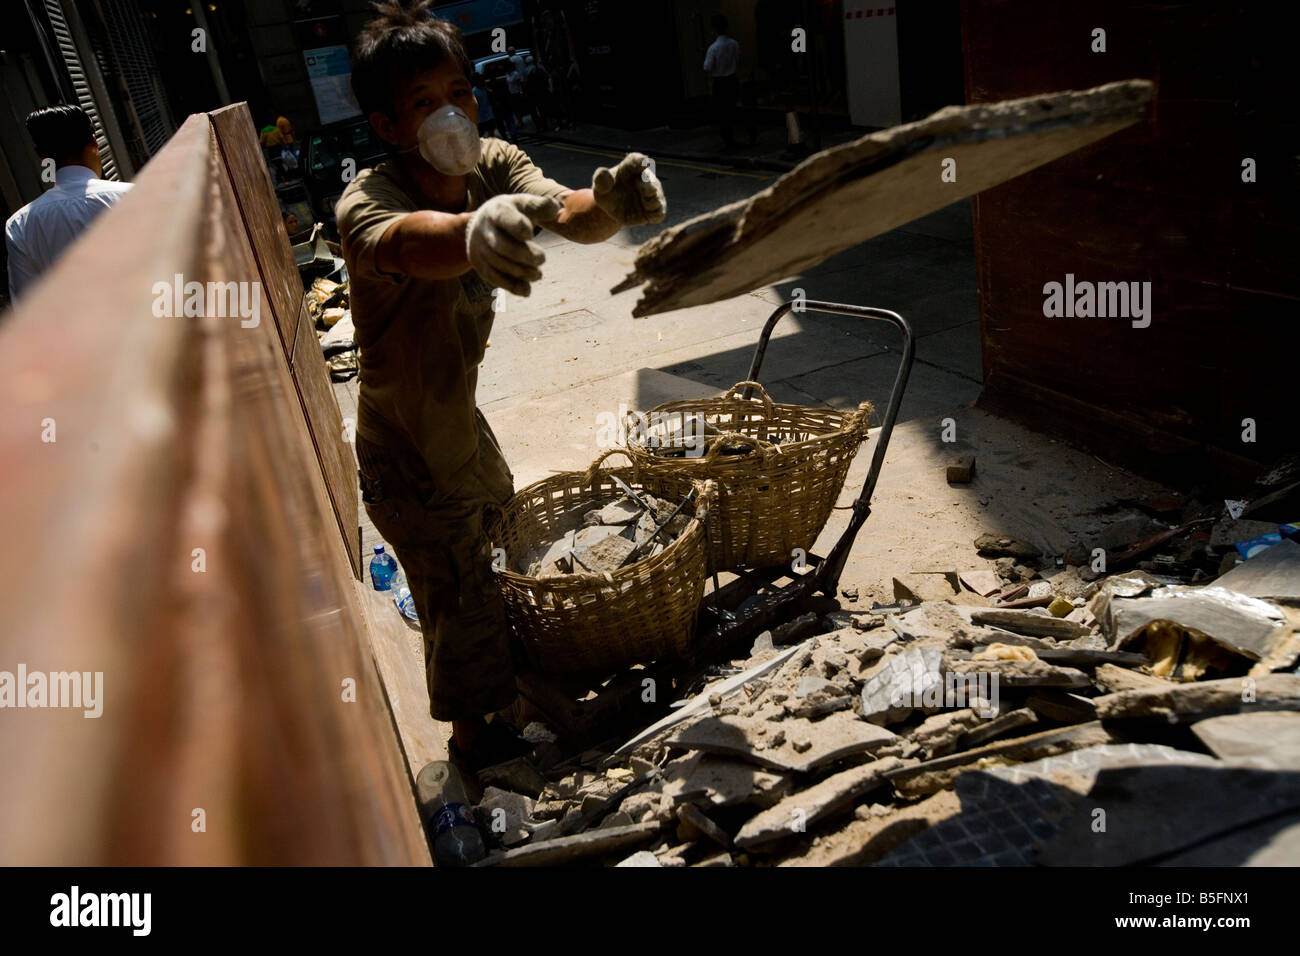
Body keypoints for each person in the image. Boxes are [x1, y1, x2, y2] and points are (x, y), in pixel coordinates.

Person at [336, 1, 665, 770]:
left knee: (495, 544)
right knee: (456, 587)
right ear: (388, 126)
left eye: (460, 92)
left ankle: (508, 695)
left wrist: (610, 202)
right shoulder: (367, 200)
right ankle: (476, 744)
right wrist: (470, 234)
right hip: (407, 446)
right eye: (425, 103)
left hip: (459, 424)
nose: (452, 114)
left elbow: (565, 210)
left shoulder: (490, 163)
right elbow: (411, 245)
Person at [5, 105, 132, 301]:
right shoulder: (131, 195)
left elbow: (26, 305)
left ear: (42, 157)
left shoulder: (20, 224)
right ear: (93, 142)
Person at [703, 14, 741, 148]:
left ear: (714, 29)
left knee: (722, 112)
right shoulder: (734, 44)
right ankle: (734, 136)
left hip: (719, 82)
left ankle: (727, 138)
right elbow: (737, 60)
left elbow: (707, 67)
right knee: (731, 108)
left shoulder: (713, 48)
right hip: (732, 79)